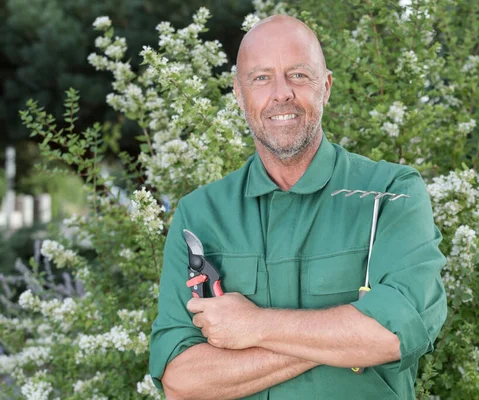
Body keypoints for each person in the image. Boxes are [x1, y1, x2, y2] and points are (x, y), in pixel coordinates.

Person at [149, 14, 447, 400]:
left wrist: (254, 326)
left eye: (298, 75)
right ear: (239, 94)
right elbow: (182, 380)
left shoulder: (391, 193)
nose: (281, 93)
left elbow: (394, 334)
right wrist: (346, 333)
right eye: (261, 78)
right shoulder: (199, 214)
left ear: (326, 88)